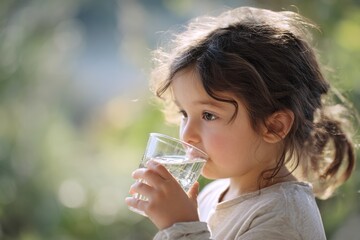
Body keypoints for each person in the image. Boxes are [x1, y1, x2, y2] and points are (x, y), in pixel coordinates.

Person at [125, 6, 356, 239]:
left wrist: (180, 227)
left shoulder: (283, 219)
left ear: (274, 126)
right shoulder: (214, 194)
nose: (186, 135)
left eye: (208, 115)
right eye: (184, 114)